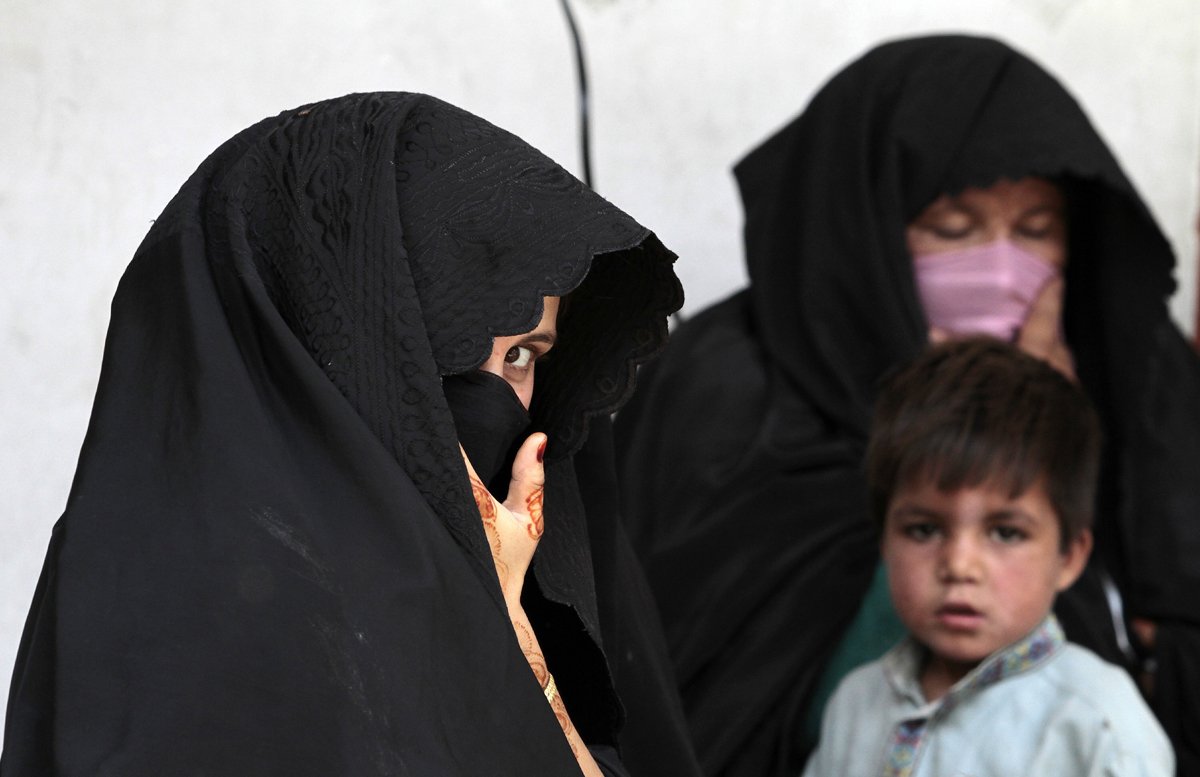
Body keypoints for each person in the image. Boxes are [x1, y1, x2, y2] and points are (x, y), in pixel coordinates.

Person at [1, 92, 701, 776]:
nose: (490, 397)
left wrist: (514, 628)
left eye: (522, 354)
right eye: (443, 350)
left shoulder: (540, 575)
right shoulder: (183, 631)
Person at [614, 35, 1200, 776]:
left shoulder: (1134, 375)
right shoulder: (725, 389)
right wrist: (983, 419)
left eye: (1036, 230)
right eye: (953, 230)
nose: (999, 268)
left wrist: (1035, 415)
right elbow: (708, 696)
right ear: (865, 235)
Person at [802, 338, 1173, 776]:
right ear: (884, 540)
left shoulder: (1099, 725)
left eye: (1005, 533)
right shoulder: (855, 703)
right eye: (924, 529)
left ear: (1070, 557)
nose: (959, 566)